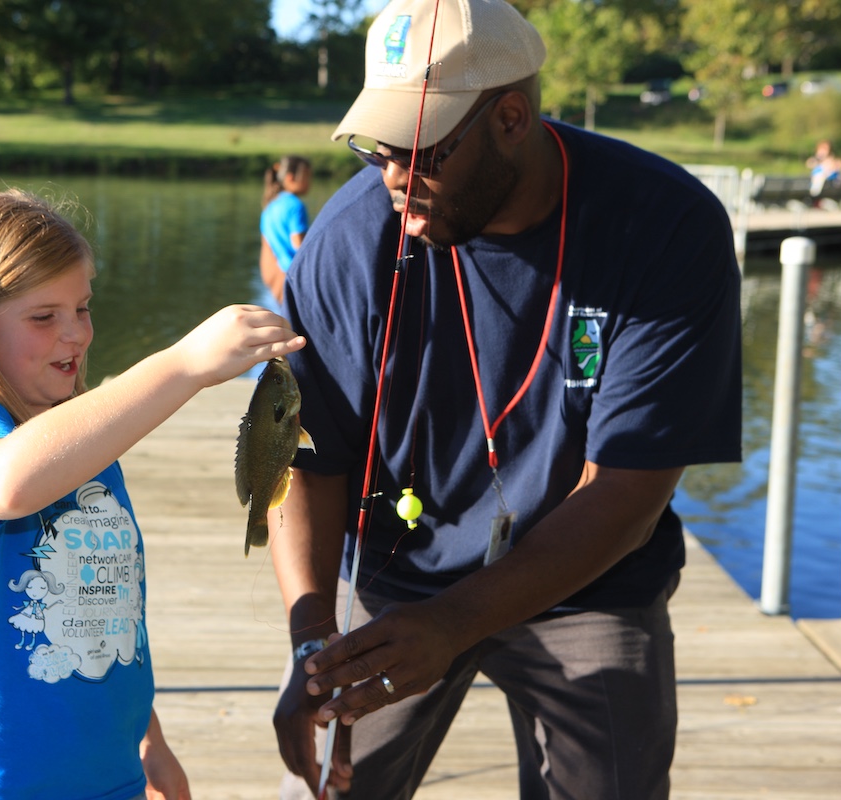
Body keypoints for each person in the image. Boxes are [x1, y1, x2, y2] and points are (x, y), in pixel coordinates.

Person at [267, 1, 743, 799]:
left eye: (418, 152)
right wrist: (310, 646)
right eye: (376, 147)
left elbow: (625, 497)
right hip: (399, 569)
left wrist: (455, 623)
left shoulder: (665, 227)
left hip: (588, 579)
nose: (390, 176)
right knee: (327, 792)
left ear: (511, 118)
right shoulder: (352, 239)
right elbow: (307, 460)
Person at [0, 188, 305, 800]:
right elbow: (8, 484)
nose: (75, 334)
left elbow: (100, 606)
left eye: (82, 308)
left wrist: (149, 742)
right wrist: (184, 364)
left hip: (106, 778)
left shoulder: (79, 428)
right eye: (43, 316)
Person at [260, 155, 313, 304]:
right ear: (290, 178)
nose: (310, 183)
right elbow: (299, 245)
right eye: (307, 177)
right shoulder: (295, 205)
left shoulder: (270, 205)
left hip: (275, 279)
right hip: (293, 279)